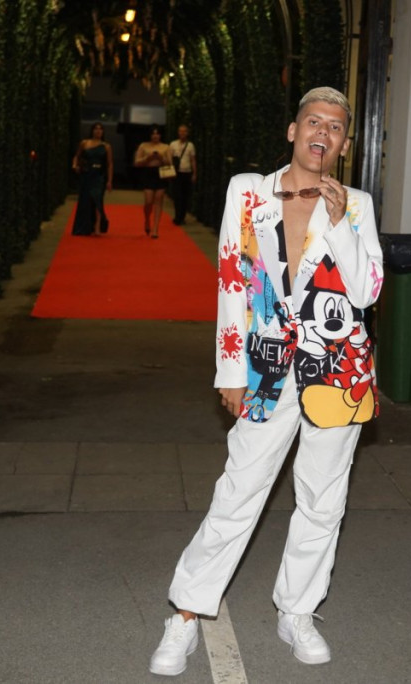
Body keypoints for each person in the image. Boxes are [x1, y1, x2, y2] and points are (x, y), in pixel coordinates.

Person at [149, 87, 383, 677]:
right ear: (292, 131)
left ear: (344, 144)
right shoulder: (247, 190)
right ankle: (186, 612)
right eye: (313, 121)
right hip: (264, 368)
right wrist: (230, 370)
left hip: (339, 372)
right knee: (238, 491)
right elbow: (232, 279)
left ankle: (297, 611)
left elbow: (366, 291)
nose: (323, 132)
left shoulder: (356, 204)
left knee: (323, 501)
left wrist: (341, 224)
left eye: (335, 126)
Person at [71, 122, 113, 236]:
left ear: (103, 132)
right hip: (86, 174)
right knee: (85, 200)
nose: (98, 131)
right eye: (96, 129)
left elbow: (109, 164)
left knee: (98, 199)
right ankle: (85, 226)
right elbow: (77, 156)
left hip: (99, 175)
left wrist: (109, 180)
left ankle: (97, 226)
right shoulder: (84, 143)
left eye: (100, 129)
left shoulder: (106, 146)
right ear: (92, 131)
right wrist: (75, 165)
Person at [133, 125, 171, 239]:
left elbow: (170, 163)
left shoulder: (166, 147)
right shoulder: (143, 145)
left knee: (159, 200)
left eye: (157, 133)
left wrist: (161, 158)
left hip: (161, 173)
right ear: (150, 135)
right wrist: (148, 158)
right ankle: (147, 219)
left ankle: (155, 228)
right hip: (148, 173)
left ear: (160, 135)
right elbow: (136, 162)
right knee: (148, 201)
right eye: (153, 134)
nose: (155, 136)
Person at [167, 124, 197, 225]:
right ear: (178, 132)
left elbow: (193, 160)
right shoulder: (173, 144)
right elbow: (169, 158)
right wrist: (171, 170)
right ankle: (177, 217)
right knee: (177, 195)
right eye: (180, 131)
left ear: (187, 133)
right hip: (177, 173)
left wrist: (194, 173)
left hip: (187, 173)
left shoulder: (190, 145)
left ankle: (182, 216)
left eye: (184, 131)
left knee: (185, 196)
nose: (182, 133)